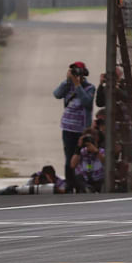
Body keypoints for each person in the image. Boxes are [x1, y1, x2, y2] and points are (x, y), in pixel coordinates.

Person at [54, 61, 96, 193]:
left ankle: (81, 184)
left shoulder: (89, 87)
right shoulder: (68, 86)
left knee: (81, 157)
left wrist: (78, 85)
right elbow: (56, 94)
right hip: (68, 128)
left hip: (82, 129)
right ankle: (69, 183)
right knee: (69, 157)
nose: (74, 74)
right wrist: (67, 81)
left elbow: (87, 102)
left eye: (76, 71)